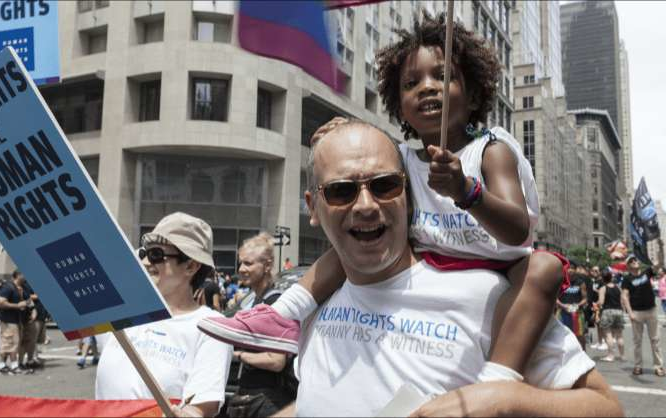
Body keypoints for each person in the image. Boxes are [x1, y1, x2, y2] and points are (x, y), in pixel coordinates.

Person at [200, 11, 567, 383]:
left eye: (443, 76)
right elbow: (373, 160)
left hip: (499, 267)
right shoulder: (404, 160)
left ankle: (500, 379)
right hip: (427, 264)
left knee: (544, 268)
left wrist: (466, 191)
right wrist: (352, 132)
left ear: (473, 94)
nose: (427, 87)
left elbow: (517, 230)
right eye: (411, 83)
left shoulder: (490, 150)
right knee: (360, 237)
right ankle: (285, 314)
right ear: (398, 103)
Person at [244, 114, 619, 415]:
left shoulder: (491, 298)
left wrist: (503, 400)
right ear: (312, 207)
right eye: (342, 191)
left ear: (407, 195)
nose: (365, 205)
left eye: (384, 185)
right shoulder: (316, 302)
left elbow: (605, 408)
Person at [95, 212, 232, 418]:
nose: (146, 262)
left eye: (156, 255)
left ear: (191, 266)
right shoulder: (122, 313)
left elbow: (201, 406)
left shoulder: (211, 327)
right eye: (144, 253)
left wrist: (188, 414)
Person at [226, 233, 297, 417]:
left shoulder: (275, 303)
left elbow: (276, 360)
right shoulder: (255, 300)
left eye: (248, 263)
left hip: (267, 401)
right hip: (252, 396)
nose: (241, 269)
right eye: (241, 263)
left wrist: (239, 355)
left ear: (267, 266)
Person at [621, 255, 664, 376]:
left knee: (655, 340)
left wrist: (659, 251)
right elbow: (624, 296)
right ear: (628, 266)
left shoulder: (646, 273)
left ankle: (658, 366)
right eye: (631, 261)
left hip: (651, 310)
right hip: (637, 313)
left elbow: (657, 265)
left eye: (635, 260)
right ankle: (638, 365)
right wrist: (630, 313)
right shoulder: (627, 279)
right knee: (637, 342)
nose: (635, 261)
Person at [0, 270, 32, 375]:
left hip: (16, 320)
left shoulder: (20, 287)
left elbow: (26, 300)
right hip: (8, 320)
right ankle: (13, 366)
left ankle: (3, 366)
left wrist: (29, 306)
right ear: (18, 275)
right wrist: (17, 306)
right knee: (12, 343)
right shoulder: (8, 287)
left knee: (9, 343)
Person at [556, 263, 588, 349]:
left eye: (573, 268)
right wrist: (563, 305)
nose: (570, 270)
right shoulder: (561, 282)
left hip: (577, 313)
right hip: (562, 312)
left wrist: (577, 305)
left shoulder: (580, 283)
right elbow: (555, 298)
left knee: (580, 335)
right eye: (568, 268)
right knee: (561, 335)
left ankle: (583, 353)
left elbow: (585, 299)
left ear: (576, 270)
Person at [597, 270, 624, 362]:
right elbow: (622, 301)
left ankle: (610, 356)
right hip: (619, 311)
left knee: (608, 335)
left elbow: (601, 302)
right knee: (619, 335)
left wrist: (596, 304)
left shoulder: (603, 288)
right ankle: (622, 355)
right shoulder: (618, 288)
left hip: (607, 311)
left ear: (603, 279)